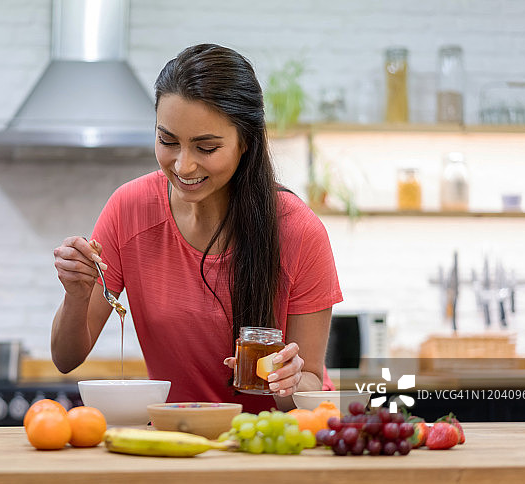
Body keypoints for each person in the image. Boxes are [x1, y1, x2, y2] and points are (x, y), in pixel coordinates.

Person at [51, 43, 342, 412]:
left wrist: (289, 381)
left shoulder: (298, 231)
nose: (183, 166)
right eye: (167, 141)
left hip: (270, 445)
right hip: (177, 439)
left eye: (205, 148)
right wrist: (76, 295)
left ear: (246, 142)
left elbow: (312, 387)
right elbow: (65, 358)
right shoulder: (130, 209)